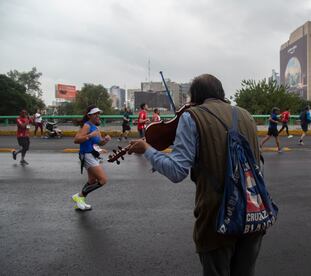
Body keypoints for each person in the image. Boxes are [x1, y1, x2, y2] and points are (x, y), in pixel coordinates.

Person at [127, 74, 265, 276]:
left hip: (217, 217)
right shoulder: (246, 115)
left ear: (195, 97)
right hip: (253, 212)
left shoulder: (192, 117)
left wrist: (147, 149)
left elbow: (177, 171)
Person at [71, 105, 111, 211]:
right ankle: (79, 196)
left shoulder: (96, 127)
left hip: (92, 154)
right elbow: (76, 139)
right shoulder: (87, 126)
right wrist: (90, 135)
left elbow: (99, 142)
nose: (98, 115)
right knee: (103, 180)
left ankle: (80, 202)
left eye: (99, 113)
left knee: (92, 180)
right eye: (95, 114)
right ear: (89, 116)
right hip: (86, 155)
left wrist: (105, 140)